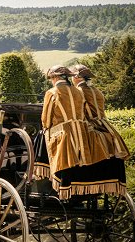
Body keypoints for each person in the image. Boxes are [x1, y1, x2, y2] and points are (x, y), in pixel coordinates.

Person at [40, 65, 111, 199]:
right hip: (82, 131)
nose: (51, 81)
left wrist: (46, 129)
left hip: (63, 132)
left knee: (40, 138)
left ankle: (44, 174)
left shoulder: (52, 92)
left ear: (55, 77)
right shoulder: (79, 92)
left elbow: (46, 119)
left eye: (51, 78)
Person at [70, 64, 130, 160]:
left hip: (90, 126)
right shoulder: (96, 90)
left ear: (76, 77)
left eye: (72, 76)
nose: (71, 79)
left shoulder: (78, 91)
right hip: (105, 125)